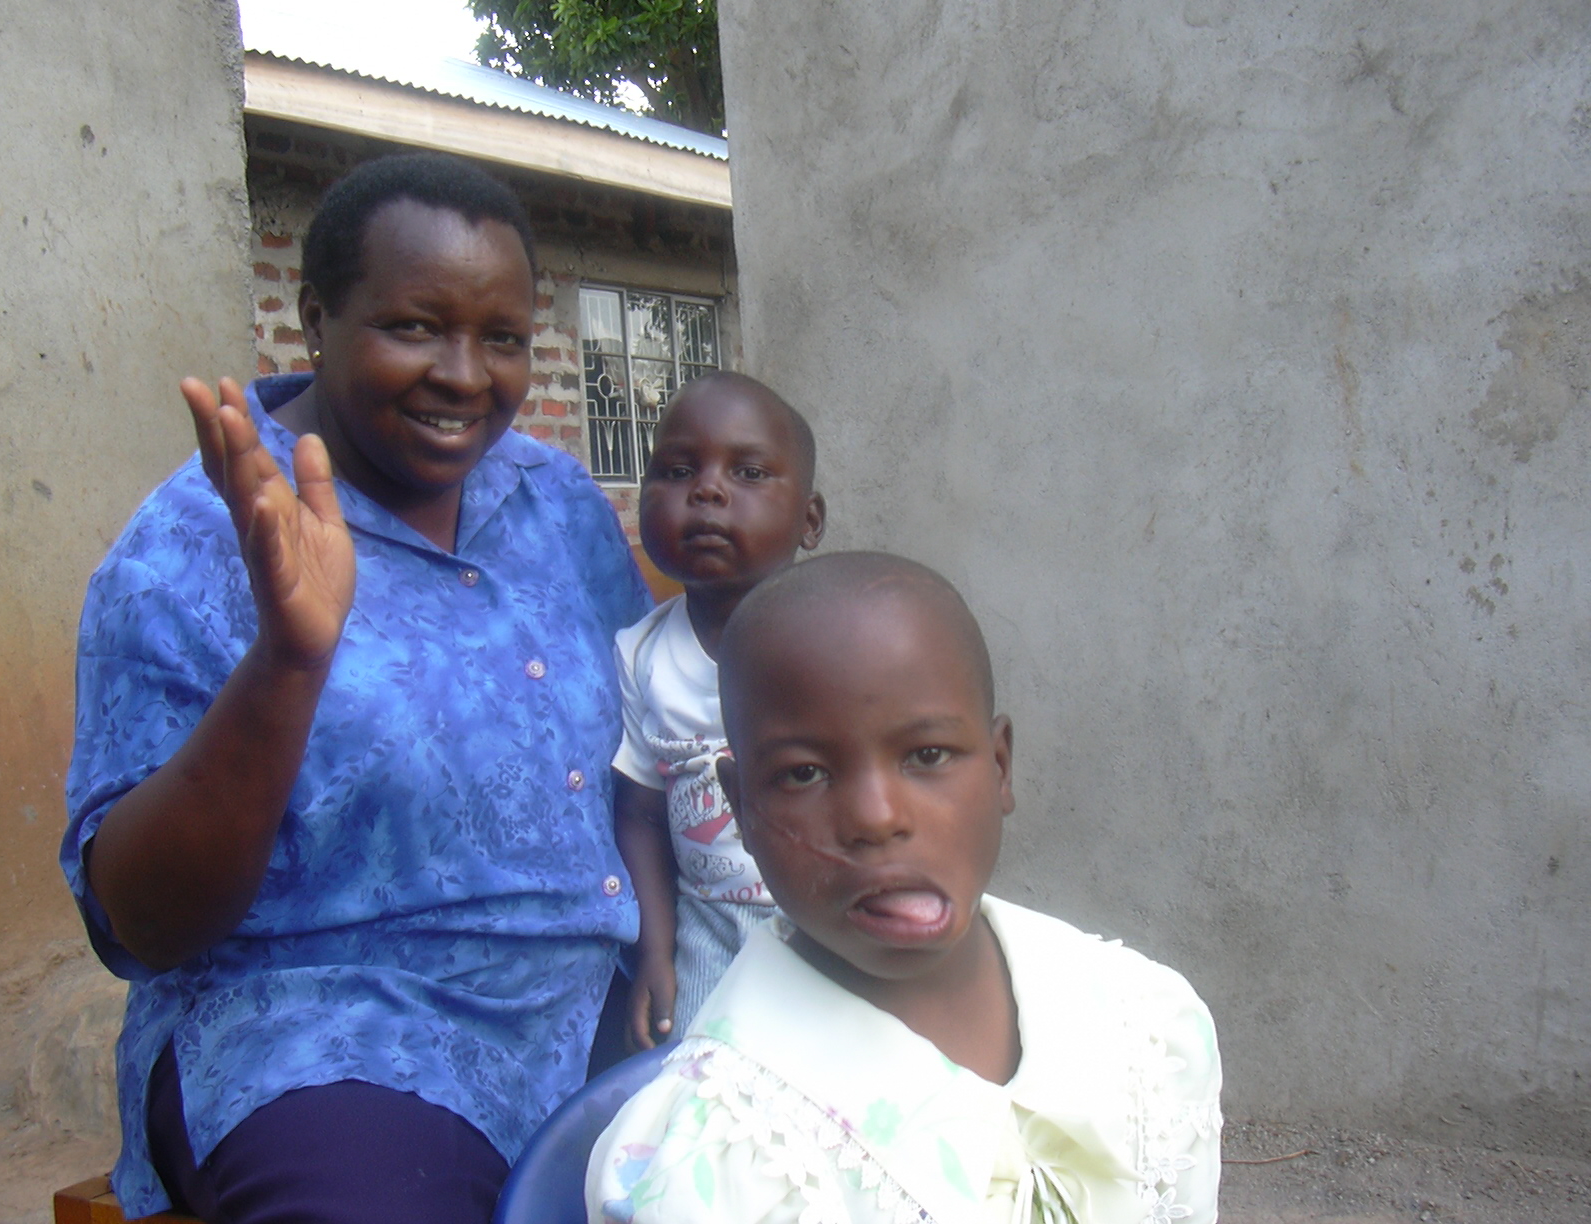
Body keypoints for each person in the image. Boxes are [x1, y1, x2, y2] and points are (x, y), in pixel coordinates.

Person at [60, 153, 651, 1224]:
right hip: (331, 1037)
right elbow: (138, 923)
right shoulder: (189, 550)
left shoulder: (553, 496)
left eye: (503, 337)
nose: (467, 375)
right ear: (316, 316)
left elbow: (643, 742)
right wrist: (288, 662)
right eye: (416, 326)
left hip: (596, 1008)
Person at [588, 552, 1222, 1223]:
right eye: (804, 774)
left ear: (1001, 768)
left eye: (927, 756)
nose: (876, 817)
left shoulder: (1143, 1025)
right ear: (740, 808)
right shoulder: (720, 1156)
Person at [610, 373, 826, 1049]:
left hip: (832, 925)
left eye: (750, 471)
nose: (706, 490)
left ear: (810, 520)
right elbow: (641, 814)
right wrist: (655, 952)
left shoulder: (839, 642)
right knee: (696, 1088)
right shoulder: (642, 654)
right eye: (677, 470)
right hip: (708, 930)